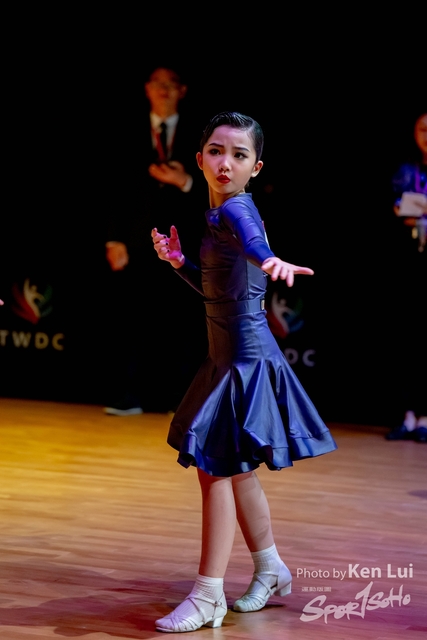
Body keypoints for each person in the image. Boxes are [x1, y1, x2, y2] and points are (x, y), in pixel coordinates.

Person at [151, 111, 337, 633]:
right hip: (227, 355)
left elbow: (254, 242)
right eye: (216, 151)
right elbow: (220, 292)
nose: (225, 163)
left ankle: (208, 594)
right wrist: (180, 264)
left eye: (239, 155)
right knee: (235, 471)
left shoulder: (236, 209)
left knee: (215, 469)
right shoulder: (217, 213)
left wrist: (269, 259)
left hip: (244, 361)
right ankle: (270, 567)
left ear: (256, 167)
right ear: (199, 159)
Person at [103, 64, 207, 415]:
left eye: (171, 84)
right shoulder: (125, 130)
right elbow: (112, 188)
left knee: (182, 322)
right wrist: (114, 239)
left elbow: (220, 186)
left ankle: (181, 399)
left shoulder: (201, 135)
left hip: (184, 244)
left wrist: (186, 182)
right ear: (147, 89)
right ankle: (129, 396)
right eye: (157, 84)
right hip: (137, 242)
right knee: (132, 320)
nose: (164, 90)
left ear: (182, 90)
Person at [385, 112, 427, 442]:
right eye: (422, 129)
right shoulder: (405, 170)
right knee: (407, 337)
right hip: (408, 262)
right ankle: (408, 415)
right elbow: (396, 206)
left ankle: (426, 416)